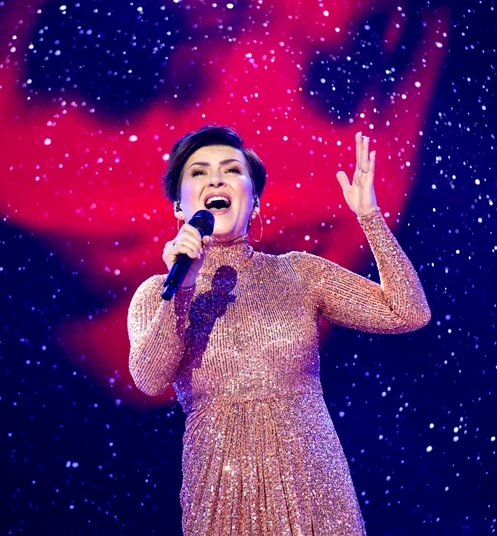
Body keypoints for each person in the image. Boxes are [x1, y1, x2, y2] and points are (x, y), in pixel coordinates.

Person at [127, 125, 431, 535]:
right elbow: (149, 378)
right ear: (179, 208)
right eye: (198, 173)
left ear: (254, 201)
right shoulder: (157, 294)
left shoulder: (298, 273)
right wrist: (182, 288)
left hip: (314, 489)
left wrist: (370, 217)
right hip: (221, 495)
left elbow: (408, 312)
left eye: (231, 170)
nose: (216, 180)